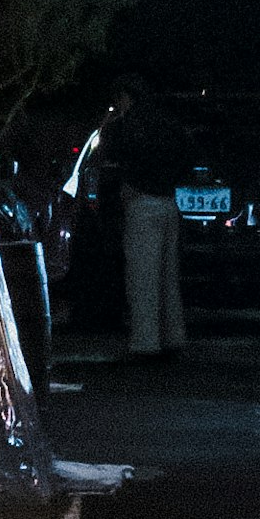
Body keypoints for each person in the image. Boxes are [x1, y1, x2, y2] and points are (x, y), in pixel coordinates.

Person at [109, 96, 188, 359]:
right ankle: (173, 336)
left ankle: (146, 342)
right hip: (167, 200)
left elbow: (121, 156)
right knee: (167, 277)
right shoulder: (165, 124)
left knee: (143, 276)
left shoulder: (132, 125)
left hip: (143, 201)